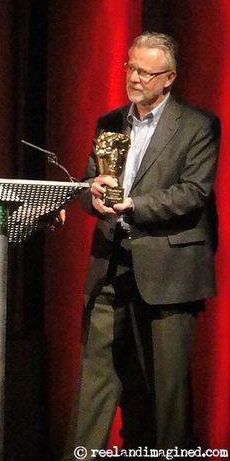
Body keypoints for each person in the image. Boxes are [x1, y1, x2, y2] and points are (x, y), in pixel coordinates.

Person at [63, 32, 220, 458]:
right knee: (95, 379)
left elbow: (193, 193)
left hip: (169, 271)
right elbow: (85, 184)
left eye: (146, 73)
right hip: (111, 265)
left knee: (166, 392)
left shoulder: (198, 125)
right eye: (130, 68)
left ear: (169, 78)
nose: (134, 78)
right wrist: (91, 194)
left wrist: (133, 203)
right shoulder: (110, 122)